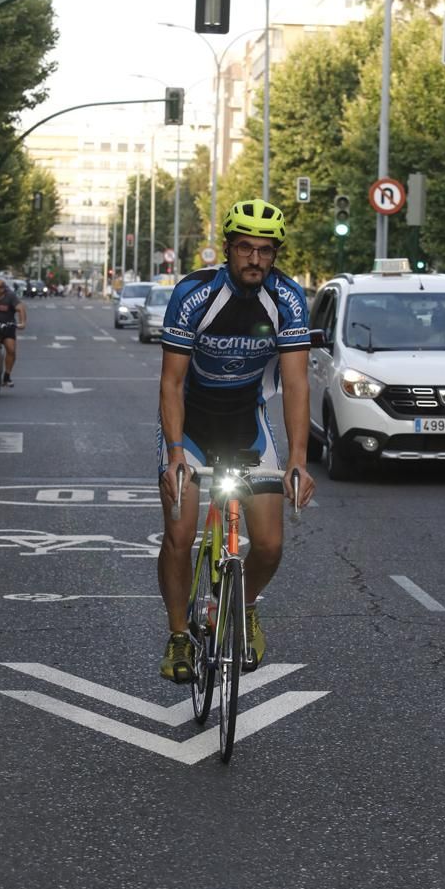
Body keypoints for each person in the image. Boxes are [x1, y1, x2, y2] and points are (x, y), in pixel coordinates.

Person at [156, 198, 315, 683]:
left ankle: (242, 608)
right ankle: (179, 636)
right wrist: (177, 453)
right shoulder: (193, 293)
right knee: (181, 535)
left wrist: (299, 461)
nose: (255, 260)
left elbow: (296, 383)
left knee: (268, 544)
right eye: (245, 248)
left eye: (266, 251)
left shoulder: (286, 298)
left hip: (246, 422)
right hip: (192, 426)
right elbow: (171, 383)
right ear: (227, 250)